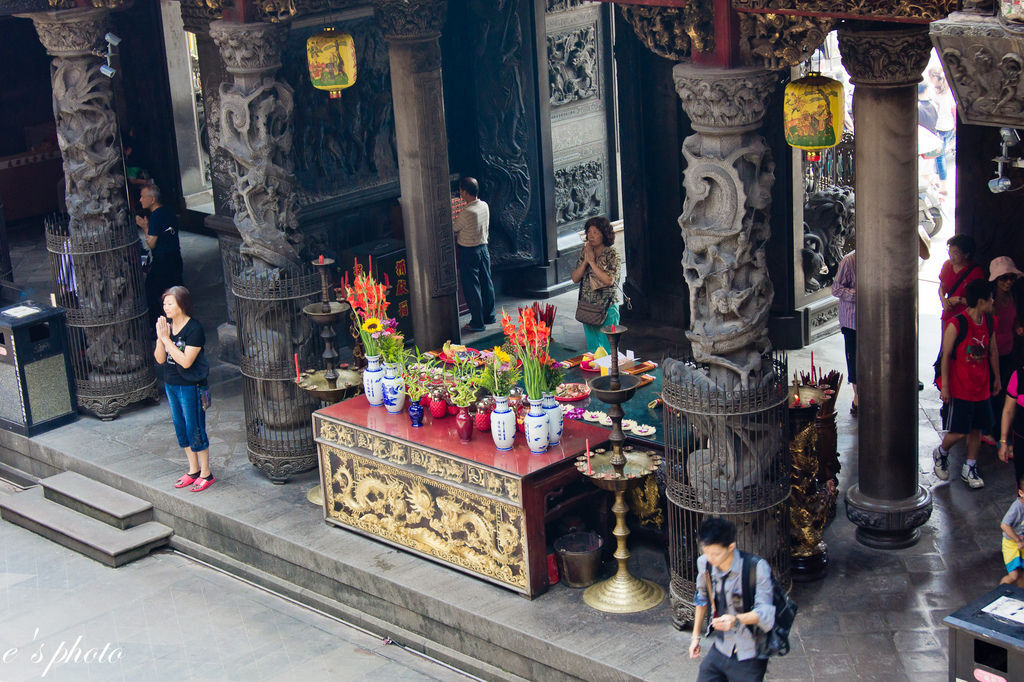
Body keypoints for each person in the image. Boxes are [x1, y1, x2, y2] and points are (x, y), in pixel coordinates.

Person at [689, 517, 775, 682]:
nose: (710, 558)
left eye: (716, 554)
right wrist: (695, 637)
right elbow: (701, 598)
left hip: (750, 653)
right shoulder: (704, 563)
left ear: (731, 547)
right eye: (706, 552)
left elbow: (766, 614)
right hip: (721, 647)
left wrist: (736, 620)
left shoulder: (757, 567)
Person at [934, 279, 999, 489]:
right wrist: (945, 386)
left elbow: (993, 351)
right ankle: (942, 452)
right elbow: (945, 356)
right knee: (960, 431)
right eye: (990, 297)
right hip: (960, 387)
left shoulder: (990, 322)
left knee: (977, 429)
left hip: (981, 387)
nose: (993, 301)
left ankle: (970, 467)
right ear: (981, 301)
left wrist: (997, 378)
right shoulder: (957, 324)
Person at [154, 286, 214, 492]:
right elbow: (160, 359)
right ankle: (193, 469)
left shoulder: (194, 329)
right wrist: (160, 338)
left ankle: (206, 473)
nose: (166, 307)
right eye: (164, 304)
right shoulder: (166, 327)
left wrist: (166, 340)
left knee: (194, 428)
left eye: (170, 303)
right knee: (180, 427)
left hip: (190, 385)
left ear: (182, 304)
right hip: (171, 383)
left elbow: (186, 361)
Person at [571, 216, 621, 353]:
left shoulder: (612, 255)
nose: (591, 236)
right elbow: (575, 278)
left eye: (595, 232)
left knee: (609, 350)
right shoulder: (585, 253)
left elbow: (609, 280)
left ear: (604, 235)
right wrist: (586, 261)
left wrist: (592, 263)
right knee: (593, 351)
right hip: (588, 308)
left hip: (607, 307)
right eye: (589, 232)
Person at [136, 184, 184, 328]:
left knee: (151, 292)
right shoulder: (168, 211)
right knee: (176, 292)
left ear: (152, 199)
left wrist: (144, 227)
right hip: (175, 257)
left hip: (162, 261)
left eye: (143, 197)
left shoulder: (155, 216)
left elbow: (151, 244)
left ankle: (157, 325)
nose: (140, 200)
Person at [452, 177, 495, 333]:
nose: (460, 193)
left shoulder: (467, 212)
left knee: (472, 287)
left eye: (460, 190)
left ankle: (477, 322)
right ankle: (489, 316)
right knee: (486, 283)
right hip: (483, 249)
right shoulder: (484, 205)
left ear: (464, 192)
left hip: (469, 252)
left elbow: (454, 228)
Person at [990, 257, 1023, 445]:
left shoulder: (1013, 297)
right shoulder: (990, 300)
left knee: (1004, 392)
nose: (1008, 282)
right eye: (1004, 278)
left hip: (1008, 350)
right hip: (992, 353)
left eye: (1011, 278)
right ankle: (992, 432)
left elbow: (1014, 318)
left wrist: (1017, 327)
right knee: (994, 391)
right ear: (996, 280)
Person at [938, 235, 984, 333]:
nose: (951, 255)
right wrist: (943, 299)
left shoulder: (976, 272)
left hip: (967, 319)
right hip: (949, 316)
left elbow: (981, 302)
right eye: (950, 251)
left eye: (955, 253)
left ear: (966, 255)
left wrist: (959, 300)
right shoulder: (947, 265)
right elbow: (942, 286)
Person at [831, 250, 857, 415]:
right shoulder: (849, 261)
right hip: (852, 320)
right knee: (854, 359)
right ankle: (857, 398)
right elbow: (836, 289)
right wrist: (859, 294)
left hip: (874, 320)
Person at [999, 477, 1024, 587]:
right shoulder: (1017, 507)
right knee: (1013, 575)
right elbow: (1004, 525)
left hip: (1022, 542)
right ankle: (999, 593)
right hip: (1011, 543)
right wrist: (1017, 540)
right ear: (1021, 493)